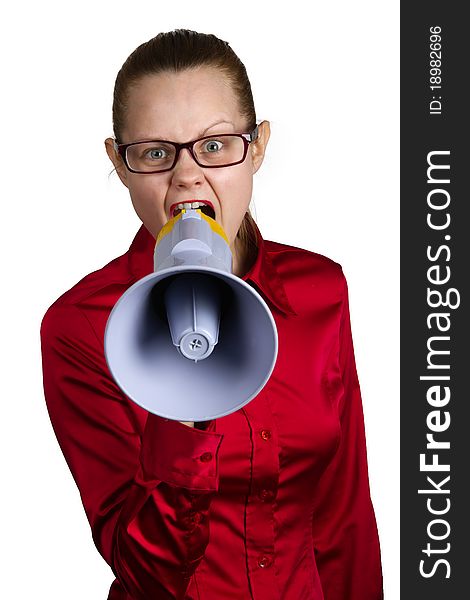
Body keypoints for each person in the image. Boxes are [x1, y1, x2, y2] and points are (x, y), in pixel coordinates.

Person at [40, 29, 384, 600]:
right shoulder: (80, 326)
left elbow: (343, 517)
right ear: (118, 164)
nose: (186, 176)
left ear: (259, 146)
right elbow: (141, 569)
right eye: (154, 153)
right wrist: (186, 408)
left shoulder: (321, 290)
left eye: (216, 145)